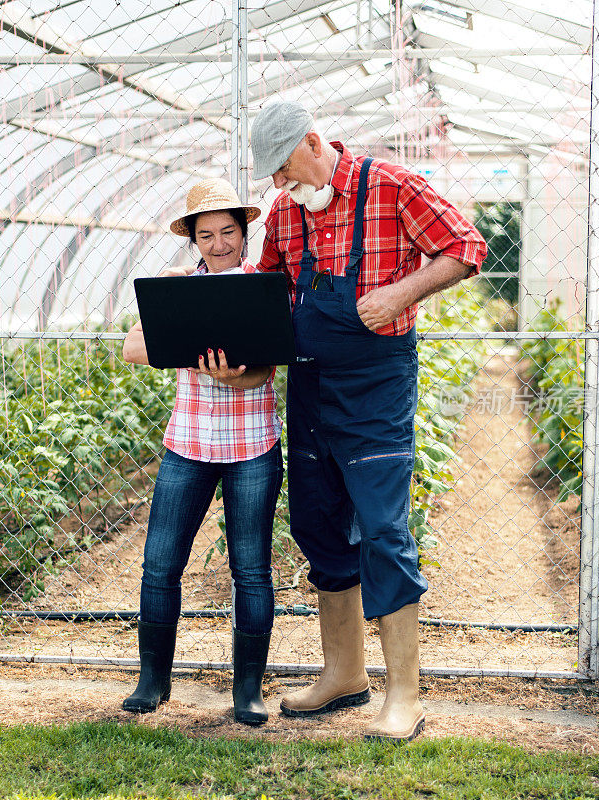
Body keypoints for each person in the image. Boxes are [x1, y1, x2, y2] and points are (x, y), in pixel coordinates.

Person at [250, 101, 487, 741]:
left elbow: (466, 248)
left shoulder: (391, 185)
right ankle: (345, 674)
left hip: (377, 384)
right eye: (270, 177)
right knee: (316, 520)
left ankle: (404, 697)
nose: (277, 185)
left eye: (281, 168)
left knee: (382, 529)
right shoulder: (287, 213)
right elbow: (262, 289)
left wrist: (401, 292)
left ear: (312, 141)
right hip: (310, 382)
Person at [121, 178, 284, 726]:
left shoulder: (263, 288)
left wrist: (234, 378)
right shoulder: (175, 289)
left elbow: (265, 369)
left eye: (229, 233)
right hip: (187, 443)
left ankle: (247, 689)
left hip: (251, 444)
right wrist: (190, 350)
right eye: (207, 234)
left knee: (251, 570)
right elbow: (132, 348)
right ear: (193, 238)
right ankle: (153, 680)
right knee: (161, 563)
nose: (219, 244)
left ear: (245, 233)